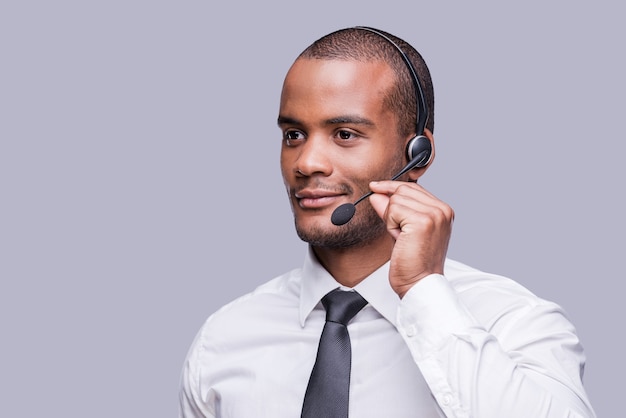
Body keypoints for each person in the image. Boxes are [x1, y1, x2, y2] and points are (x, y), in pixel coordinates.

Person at [178, 26, 596, 417]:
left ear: (418, 154)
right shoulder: (225, 338)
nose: (306, 163)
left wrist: (423, 291)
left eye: (344, 134)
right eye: (294, 135)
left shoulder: (513, 321)